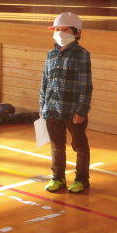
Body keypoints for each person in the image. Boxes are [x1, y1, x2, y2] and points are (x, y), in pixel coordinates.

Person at [39, 12, 93, 193]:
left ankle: (82, 179)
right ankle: (58, 177)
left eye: (66, 29)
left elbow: (85, 84)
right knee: (57, 146)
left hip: (73, 111)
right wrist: (42, 106)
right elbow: (45, 82)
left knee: (80, 146)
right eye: (57, 29)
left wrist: (82, 110)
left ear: (77, 33)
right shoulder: (50, 55)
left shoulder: (82, 54)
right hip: (51, 109)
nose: (60, 32)